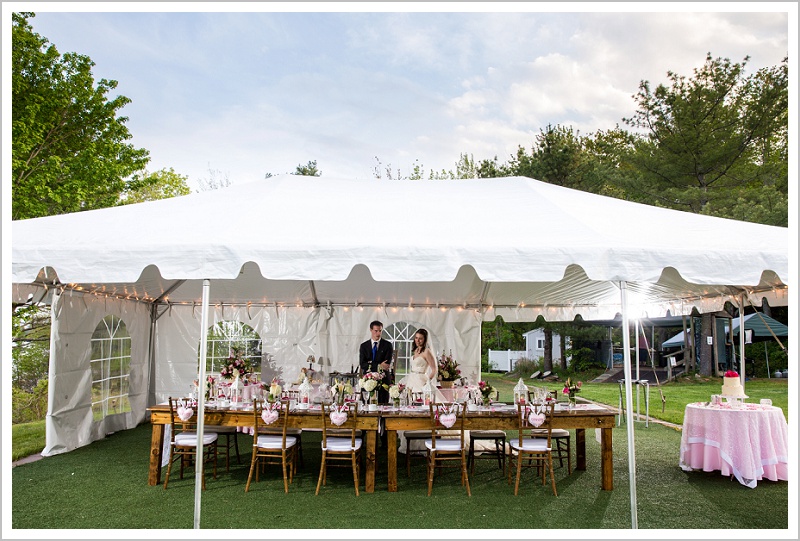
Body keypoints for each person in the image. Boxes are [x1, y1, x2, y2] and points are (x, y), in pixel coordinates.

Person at [398, 329, 445, 401]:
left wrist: (427, 383)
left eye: (420, 338)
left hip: (421, 380)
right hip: (411, 379)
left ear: (424, 339)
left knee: (422, 400)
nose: (417, 340)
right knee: (410, 399)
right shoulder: (416, 350)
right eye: (416, 338)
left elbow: (434, 369)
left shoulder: (427, 352)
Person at [359, 320, 394, 405]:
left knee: (383, 405)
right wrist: (378, 365)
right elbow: (363, 364)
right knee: (366, 405)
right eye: (376, 331)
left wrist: (370, 363)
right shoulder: (364, 346)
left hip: (383, 381)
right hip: (367, 380)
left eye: (380, 331)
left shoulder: (387, 345)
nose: (378, 333)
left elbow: (386, 365)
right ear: (371, 330)